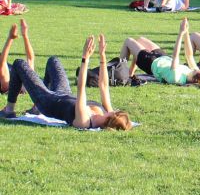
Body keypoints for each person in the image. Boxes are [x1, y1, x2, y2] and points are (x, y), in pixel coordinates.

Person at [2, 35, 132, 130]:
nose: (116, 110)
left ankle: (9, 110)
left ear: (113, 116)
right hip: (64, 93)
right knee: (53, 61)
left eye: (117, 112)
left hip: (48, 102)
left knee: (19, 64)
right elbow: (103, 86)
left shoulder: (85, 121)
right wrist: (102, 57)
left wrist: (85, 59)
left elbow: (81, 89)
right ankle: (35, 109)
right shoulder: (105, 111)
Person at [120, 19, 200, 85]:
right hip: (162, 57)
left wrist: (180, 33)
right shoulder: (192, 72)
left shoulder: (176, 78)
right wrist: (186, 32)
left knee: (128, 41)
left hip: (150, 63)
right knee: (141, 40)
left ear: (192, 79)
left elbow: (175, 56)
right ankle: (130, 73)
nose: (195, 69)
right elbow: (189, 55)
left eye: (195, 71)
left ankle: (119, 73)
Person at [1, 20, 35, 95]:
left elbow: (2, 63)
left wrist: (10, 38)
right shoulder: (28, 84)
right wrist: (25, 35)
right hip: (12, 70)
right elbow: (30, 59)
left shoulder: (7, 86)